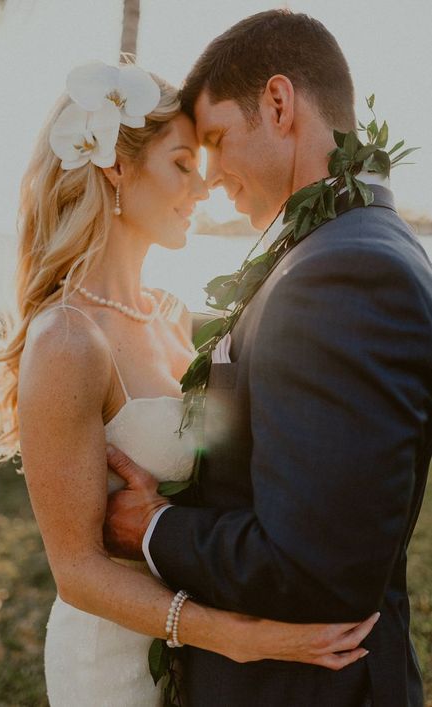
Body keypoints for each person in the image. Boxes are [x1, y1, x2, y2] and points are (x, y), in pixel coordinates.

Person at [0, 60, 377, 707]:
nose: (203, 186)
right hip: (110, 664)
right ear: (115, 168)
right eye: (182, 164)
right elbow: (76, 569)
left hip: (194, 653)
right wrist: (237, 635)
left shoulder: (170, 311)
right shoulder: (68, 340)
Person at [103, 11, 432, 707]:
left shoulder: (341, 274)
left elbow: (315, 567)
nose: (208, 173)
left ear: (279, 105)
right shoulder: (340, 249)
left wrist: (154, 528)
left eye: (217, 139)